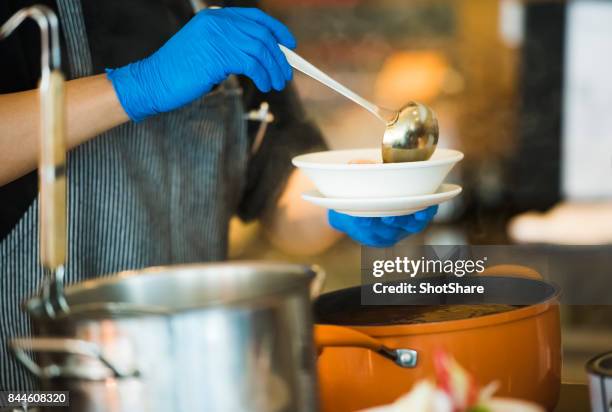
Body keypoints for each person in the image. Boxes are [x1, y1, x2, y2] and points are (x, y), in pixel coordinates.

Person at [0, 0, 437, 390]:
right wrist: (136, 87)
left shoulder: (230, 12)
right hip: (39, 386)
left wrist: (351, 200)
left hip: (200, 375)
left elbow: (278, 192)